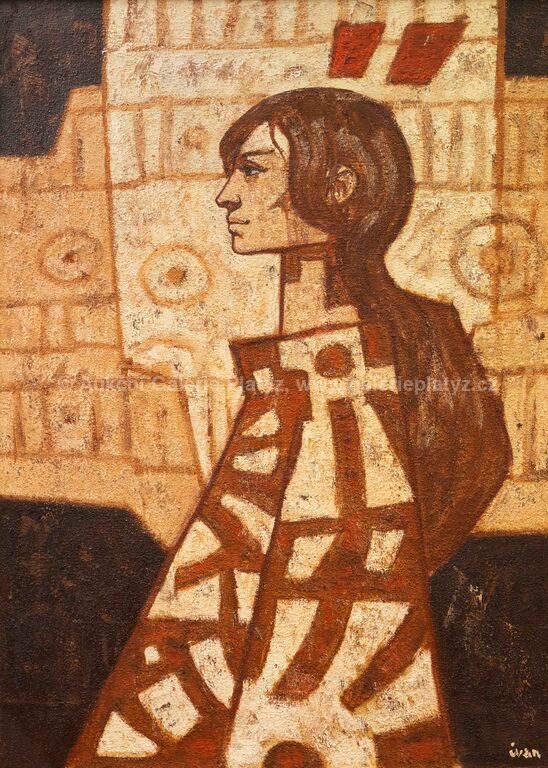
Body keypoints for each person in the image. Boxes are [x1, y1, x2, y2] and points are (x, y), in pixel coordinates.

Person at [68, 88, 511, 768]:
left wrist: (375, 569)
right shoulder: (290, 366)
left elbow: (469, 468)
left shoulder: (398, 347)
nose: (226, 195)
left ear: (339, 187)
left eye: (253, 171)